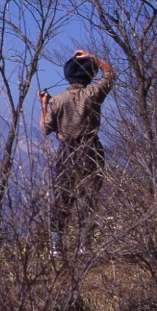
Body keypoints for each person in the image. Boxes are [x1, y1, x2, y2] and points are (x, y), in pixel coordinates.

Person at [37, 49, 115, 256]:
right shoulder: (93, 93)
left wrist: (43, 105)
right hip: (91, 149)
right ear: (90, 75)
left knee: (62, 199)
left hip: (66, 152)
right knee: (90, 198)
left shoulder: (58, 100)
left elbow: (45, 129)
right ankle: (84, 246)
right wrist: (92, 56)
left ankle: (56, 248)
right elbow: (110, 73)